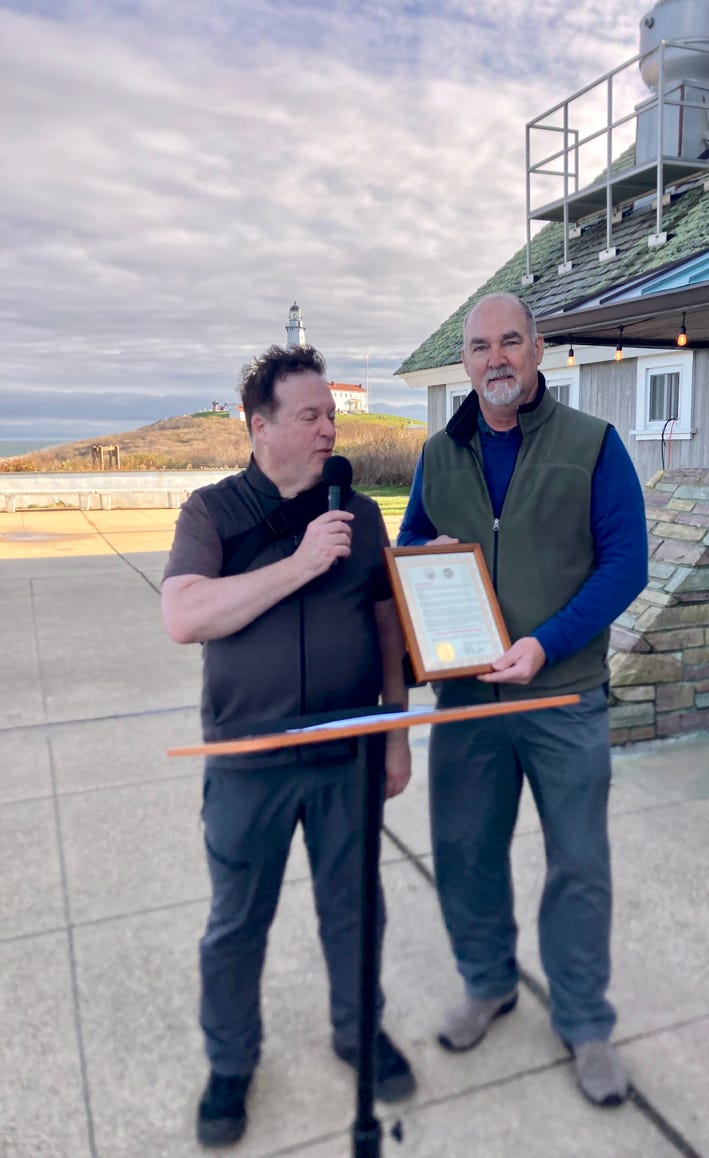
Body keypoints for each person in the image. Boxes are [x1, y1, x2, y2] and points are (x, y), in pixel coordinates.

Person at [162, 344, 415, 1149]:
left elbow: (386, 626)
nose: (328, 430)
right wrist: (302, 565)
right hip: (248, 762)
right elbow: (185, 616)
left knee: (357, 910)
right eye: (310, 416)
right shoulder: (211, 512)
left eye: (331, 415)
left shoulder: (360, 513)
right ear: (260, 427)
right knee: (237, 924)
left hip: (349, 755)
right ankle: (231, 1062)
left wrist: (397, 731)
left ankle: (358, 1030)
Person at [398, 292, 648, 1107]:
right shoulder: (439, 455)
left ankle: (584, 1022)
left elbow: (626, 564)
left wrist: (547, 643)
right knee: (465, 851)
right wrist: (424, 554)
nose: (495, 358)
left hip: (563, 697)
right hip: (469, 700)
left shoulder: (593, 445)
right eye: (480, 346)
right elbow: (409, 547)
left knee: (579, 863)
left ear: (539, 351)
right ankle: (488, 982)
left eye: (511, 342)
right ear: (465, 362)